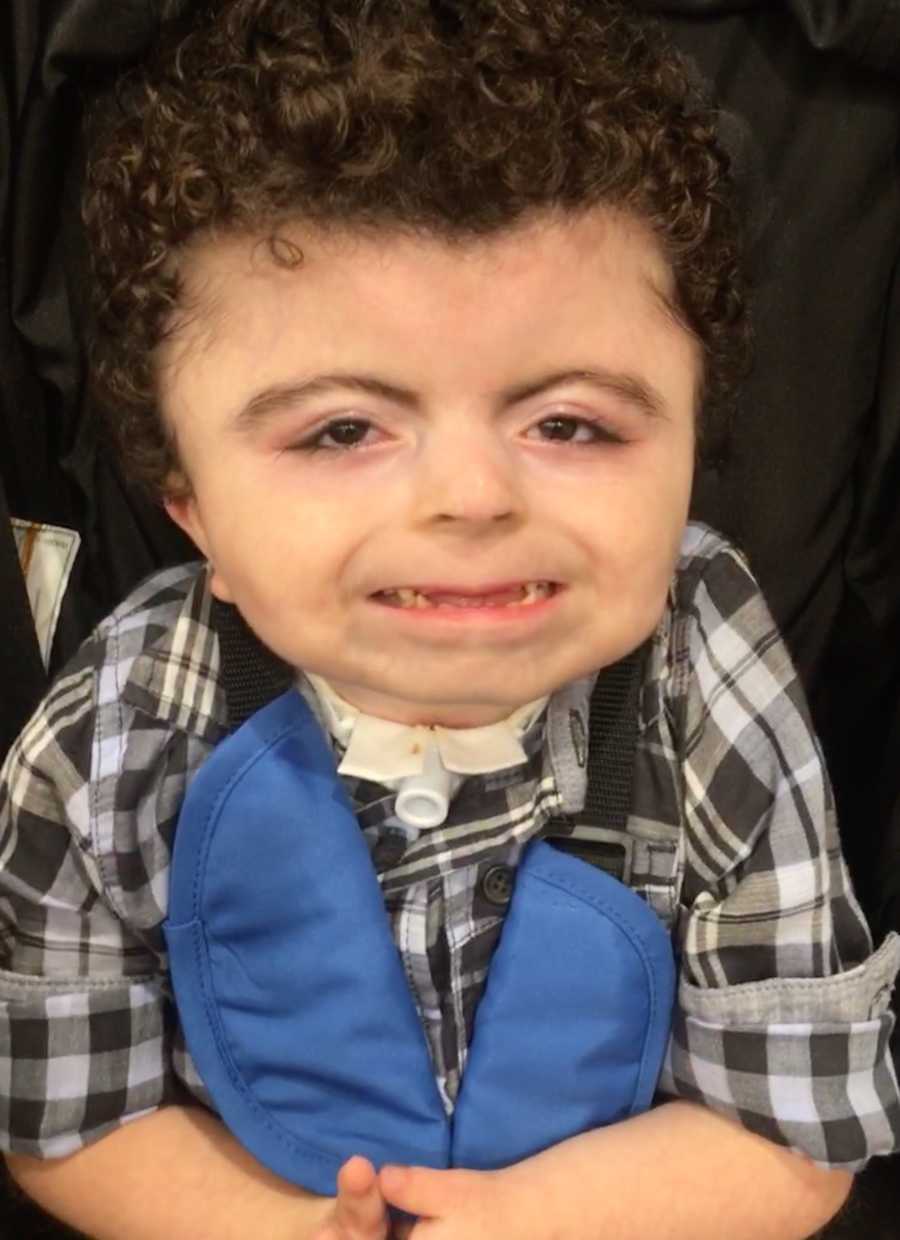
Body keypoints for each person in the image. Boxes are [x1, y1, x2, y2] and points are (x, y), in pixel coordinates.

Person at [0, 1, 898, 1237]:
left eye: (570, 423)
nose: (473, 498)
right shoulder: (117, 731)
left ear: (694, 447)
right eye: (341, 430)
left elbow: (793, 1134)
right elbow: (67, 1115)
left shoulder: (708, 679)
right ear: (191, 503)